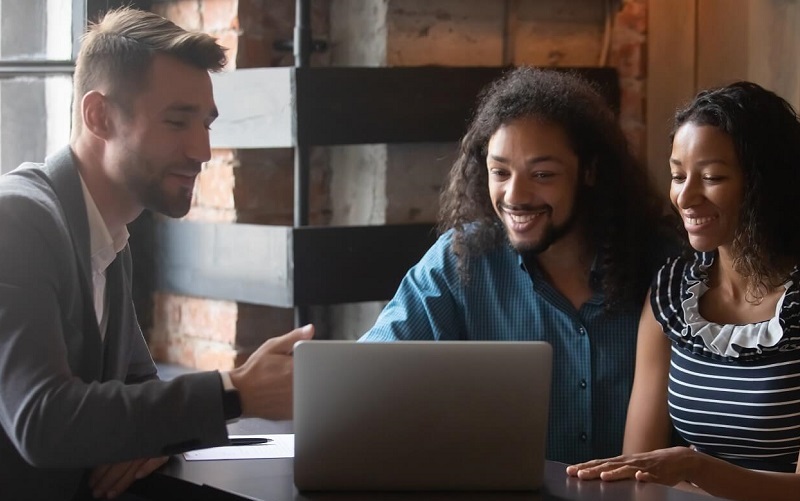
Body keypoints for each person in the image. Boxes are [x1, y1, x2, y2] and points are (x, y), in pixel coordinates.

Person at [0, 8, 313, 500]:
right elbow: (42, 420)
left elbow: (138, 385)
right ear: (99, 116)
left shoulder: (107, 234)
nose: (203, 151)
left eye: (206, 124)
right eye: (176, 122)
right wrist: (238, 390)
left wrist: (147, 436)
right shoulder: (16, 219)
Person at [360, 66, 677, 465]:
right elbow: (369, 376)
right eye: (500, 173)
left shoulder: (663, 265)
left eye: (542, 174)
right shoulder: (460, 263)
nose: (515, 195)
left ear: (591, 171)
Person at [566, 81, 800, 500]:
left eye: (711, 177)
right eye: (677, 175)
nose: (686, 196)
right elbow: (636, 468)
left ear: (766, 181)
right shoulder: (672, 293)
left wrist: (695, 467)